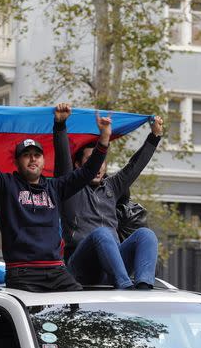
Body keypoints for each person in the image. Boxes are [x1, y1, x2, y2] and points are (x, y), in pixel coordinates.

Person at [0, 102, 112, 292]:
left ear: (43, 161)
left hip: (56, 271)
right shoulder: (5, 185)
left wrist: (104, 137)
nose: (33, 158)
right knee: (30, 319)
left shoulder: (55, 186)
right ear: (17, 162)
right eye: (26, 155)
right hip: (22, 272)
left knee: (78, 308)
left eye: (37, 155)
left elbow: (87, 172)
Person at [53, 103, 162, 289]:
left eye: (101, 161)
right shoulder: (69, 185)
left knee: (146, 235)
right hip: (82, 265)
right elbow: (63, 158)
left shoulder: (112, 185)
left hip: (112, 265)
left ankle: (144, 288)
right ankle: (125, 288)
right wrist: (60, 125)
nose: (98, 166)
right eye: (91, 161)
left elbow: (134, 166)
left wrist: (155, 136)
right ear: (79, 165)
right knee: (102, 233)